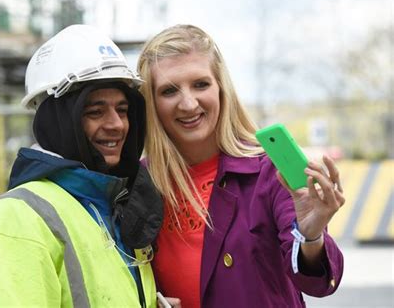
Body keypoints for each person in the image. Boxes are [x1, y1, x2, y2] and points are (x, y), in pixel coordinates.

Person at [0, 24, 164, 307]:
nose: (116, 124)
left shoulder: (110, 208)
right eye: (95, 111)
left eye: (122, 110)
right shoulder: (13, 221)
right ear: (59, 119)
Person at [137, 24, 345, 307]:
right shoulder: (138, 184)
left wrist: (311, 236)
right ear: (150, 102)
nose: (188, 103)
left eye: (201, 84)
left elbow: (318, 283)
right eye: (169, 91)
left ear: (222, 88)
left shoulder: (268, 171)